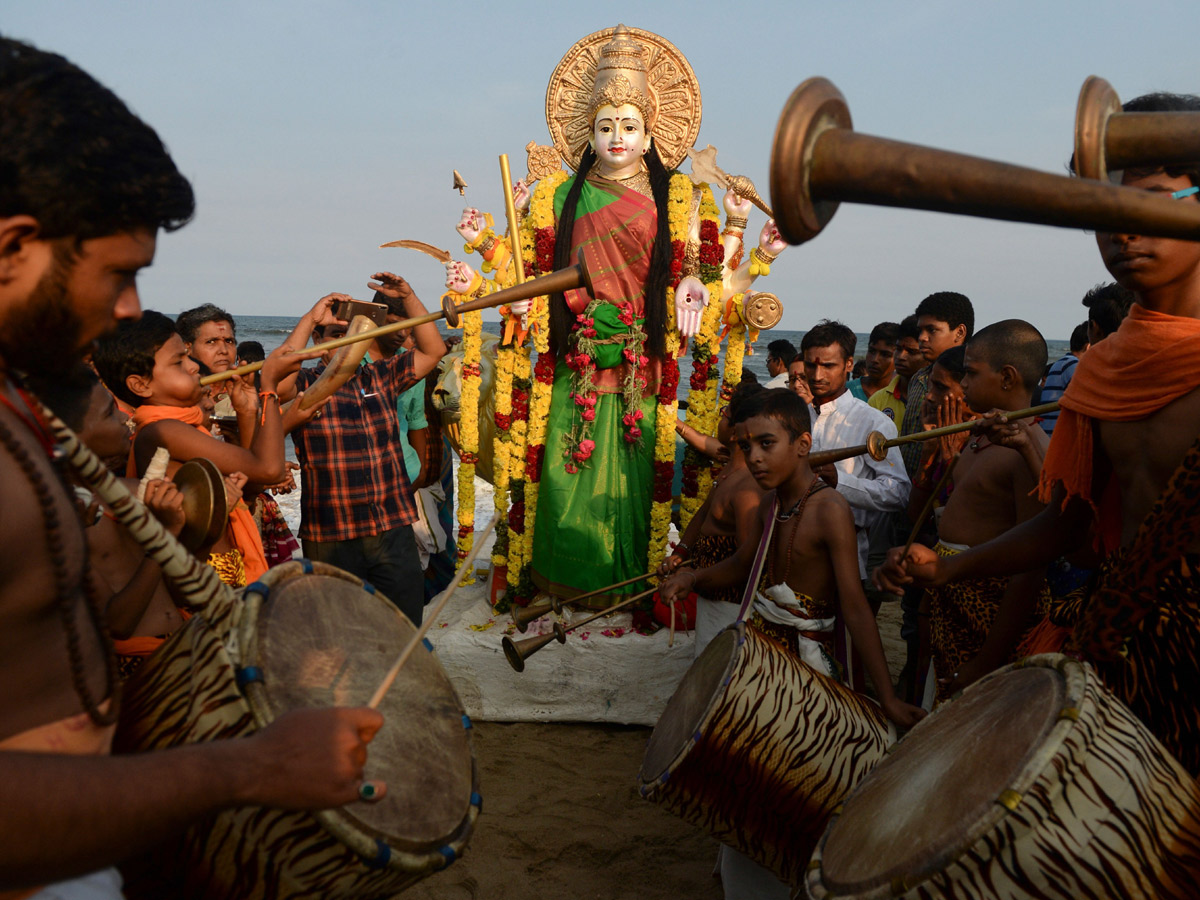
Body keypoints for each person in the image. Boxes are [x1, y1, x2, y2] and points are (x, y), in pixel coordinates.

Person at [0, 36, 382, 893]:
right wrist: (244, 770)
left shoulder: (31, 407)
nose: (129, 309)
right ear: (12, 248)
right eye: (120, 276)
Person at [878, 92, 1200, 772]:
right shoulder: (1103, 366)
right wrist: (949, 567)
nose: (1125, 229)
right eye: (1104, 210)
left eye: (1154, 201)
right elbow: (1068, 525)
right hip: (1126, 649)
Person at [452, 25, 784, 604]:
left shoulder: (679, 197)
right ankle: (553, 578)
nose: (617, 138)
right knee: (556, 474)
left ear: (650, 131)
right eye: (605, 126)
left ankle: (625, 587)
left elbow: (701, 275)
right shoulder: (558, 194)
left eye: (629, 126)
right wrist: (486, 250)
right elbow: (526, 273)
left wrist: (692, 282)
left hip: (642, 363)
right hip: (572, 360)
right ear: (588, 132)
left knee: (632, 488)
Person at [663, 388, 923, 900]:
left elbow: (853, 602)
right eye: (746, 445)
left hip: (813, 668)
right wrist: (692, 576)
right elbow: (741, 566)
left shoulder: (828, 510)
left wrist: (886, 696)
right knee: (751, 777)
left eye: (766, 444)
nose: (754, 458)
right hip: (763, 659)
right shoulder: (766, 509)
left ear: (802, 444)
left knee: (805, 781)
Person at [879, 320, 1052, 706]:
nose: (965, 384)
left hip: (989, 616)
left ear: (1007, 378)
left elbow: (1031, 565)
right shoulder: (979, 436)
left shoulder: (1027, 447)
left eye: (971, 374)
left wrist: (985, 661)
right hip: (949, 601)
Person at [92, 311, 303, 587]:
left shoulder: (181, 427)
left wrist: (248, 410)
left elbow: (256, 478)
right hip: (208, 579)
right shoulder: (164, 430)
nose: (193, 367)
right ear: (141, 384)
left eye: (187, 358)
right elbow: (270, 469)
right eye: (178, 362)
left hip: (221, 571)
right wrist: (270, 389)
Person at [284, 276, 446, 626]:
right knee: (339, 634)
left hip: (391, 529)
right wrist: (310, 319)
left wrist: (410, 297)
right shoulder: (303, 384)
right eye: (334, 336)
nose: (345, 344)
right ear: (317, 342)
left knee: (402, 628)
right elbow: (276, 379)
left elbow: (433, 351)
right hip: (330, 535)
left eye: (353, 336)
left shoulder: (381, 375)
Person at [659, 381, 767, 652]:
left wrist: (693, 576)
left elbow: (746, 563)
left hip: (728, 604)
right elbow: (704, 513)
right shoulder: (730, 468)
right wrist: (681, 553)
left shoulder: (747, 488)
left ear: (736, 432)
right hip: (710, 593)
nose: (720, 418)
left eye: (725, 414)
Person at [802, 320, 909, 581]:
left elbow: (899, 493)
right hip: (788, 545)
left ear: (849, 364)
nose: (817, 376)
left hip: (844, 552)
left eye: (828, 366)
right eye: (810, 365)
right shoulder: (794, 417)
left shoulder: (874, 422)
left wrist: (841, 482)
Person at [897, 292, 974, 478]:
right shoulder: (917, 378)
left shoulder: (971, 382)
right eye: (920, 331)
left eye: (932, 330)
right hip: (908, 483)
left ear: (960, 332)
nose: (922, 338)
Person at [1038, 313, 1092, 435]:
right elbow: (1088, 398)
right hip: (1056, 436)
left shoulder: (1062, 363)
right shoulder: (1073, 365)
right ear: (1089, 347)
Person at [869, 315, 921, 424]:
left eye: (911, 352)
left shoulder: (932, 399)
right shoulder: (878, 400)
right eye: (898, 349)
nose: (901, 356)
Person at [847, 322, 898, 401]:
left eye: (885, 355)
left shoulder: (903, 395)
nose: (875, 359)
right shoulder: (846, 392)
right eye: (872, 351)